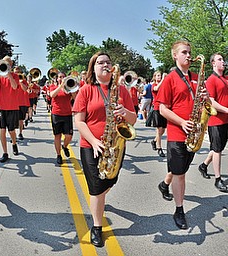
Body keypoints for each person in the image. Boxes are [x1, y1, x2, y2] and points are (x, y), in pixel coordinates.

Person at [72, 52, 136, 247]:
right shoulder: (86, 90)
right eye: (100, 63)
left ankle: (98, 201)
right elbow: (79, 121)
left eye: (108, 62)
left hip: (115, 145)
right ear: (93, 68)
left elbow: (133, 120)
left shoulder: (122, 90)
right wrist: (93, 141)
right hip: (91, 146)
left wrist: (125, 112)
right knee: (97, 188)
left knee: (110, 181)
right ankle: (97, 227)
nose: (105, 65)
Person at [156, 40, 208, 229]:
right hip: (178, 133)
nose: (188, 55)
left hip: (194, 132)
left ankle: (164, 184)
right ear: (175, 55)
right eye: (184, 52)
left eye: (189, 52)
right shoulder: (170, 78)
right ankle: (179, 209)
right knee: (180, 175)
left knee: (181, 170)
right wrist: (181, 121)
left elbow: (205, 103)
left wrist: (204, 99)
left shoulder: (196, 77)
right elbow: (162, 108)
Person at [198, 53, 228, 192]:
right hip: (216, 121)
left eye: (223, 59)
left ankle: (203, 166)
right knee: (217, 150)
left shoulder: (226, 79)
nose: (223, 61)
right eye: (219, 60)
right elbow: (212, 102)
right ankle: (218, 179)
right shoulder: (211, 80)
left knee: (218, 148)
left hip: (225, 120)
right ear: (213, 63)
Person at [0, 56, 20, 163]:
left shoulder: (15, 76)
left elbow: (14, 87)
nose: (6, 65)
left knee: (11, 130)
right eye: (4, 63)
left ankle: (14, 143)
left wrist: (9, 75)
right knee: (2, 130)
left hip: (12, 107)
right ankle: (5, 153)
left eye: (8, 64)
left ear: (11, 65)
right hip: (1, 107)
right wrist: (0, 74)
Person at [49, 72, 75, 165]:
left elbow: (75, 98)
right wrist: (60, 86)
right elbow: (52, 95)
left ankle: (64, 146)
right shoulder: (53, 86)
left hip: (67, 114)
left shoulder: (69, 88)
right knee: (57, 136)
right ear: (57, 79)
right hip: (56, 114)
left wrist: (71, 89)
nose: (62, 78)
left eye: (63, 77)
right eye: (60, 77)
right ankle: (59, 155)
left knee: (69, 136)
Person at [150, 71, 167, 157]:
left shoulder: (163, 84)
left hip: (164, 108)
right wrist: (163, 80)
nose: (159, 77)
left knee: (163, 130)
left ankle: (154, 141)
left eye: (160, 75)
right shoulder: (153, 85)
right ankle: (159, 148)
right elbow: (156, 89)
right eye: (158, 76)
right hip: (157, 108)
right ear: (154, 77)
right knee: (159, 129)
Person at [14, 67, 29, 140]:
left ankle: (20, 133)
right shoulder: (11, 80)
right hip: (13, 103)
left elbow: (25, 89)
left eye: (18, 72)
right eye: (15, 72)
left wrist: (20, 82)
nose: (17, 74)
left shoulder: (24, 81)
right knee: (13, 120)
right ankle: (13, 135)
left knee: (20, 120)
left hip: (22, 103)